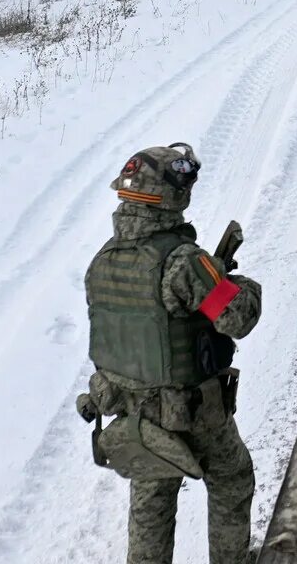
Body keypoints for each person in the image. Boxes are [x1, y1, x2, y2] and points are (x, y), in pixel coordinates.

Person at [77, 143, 263, 564]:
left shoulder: (102, 261)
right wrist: (241, 285)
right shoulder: (182, 263)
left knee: (150, 508)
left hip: (136, 416)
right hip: (194, 411)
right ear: (170, 197)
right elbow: (238, 319)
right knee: (232, 479)